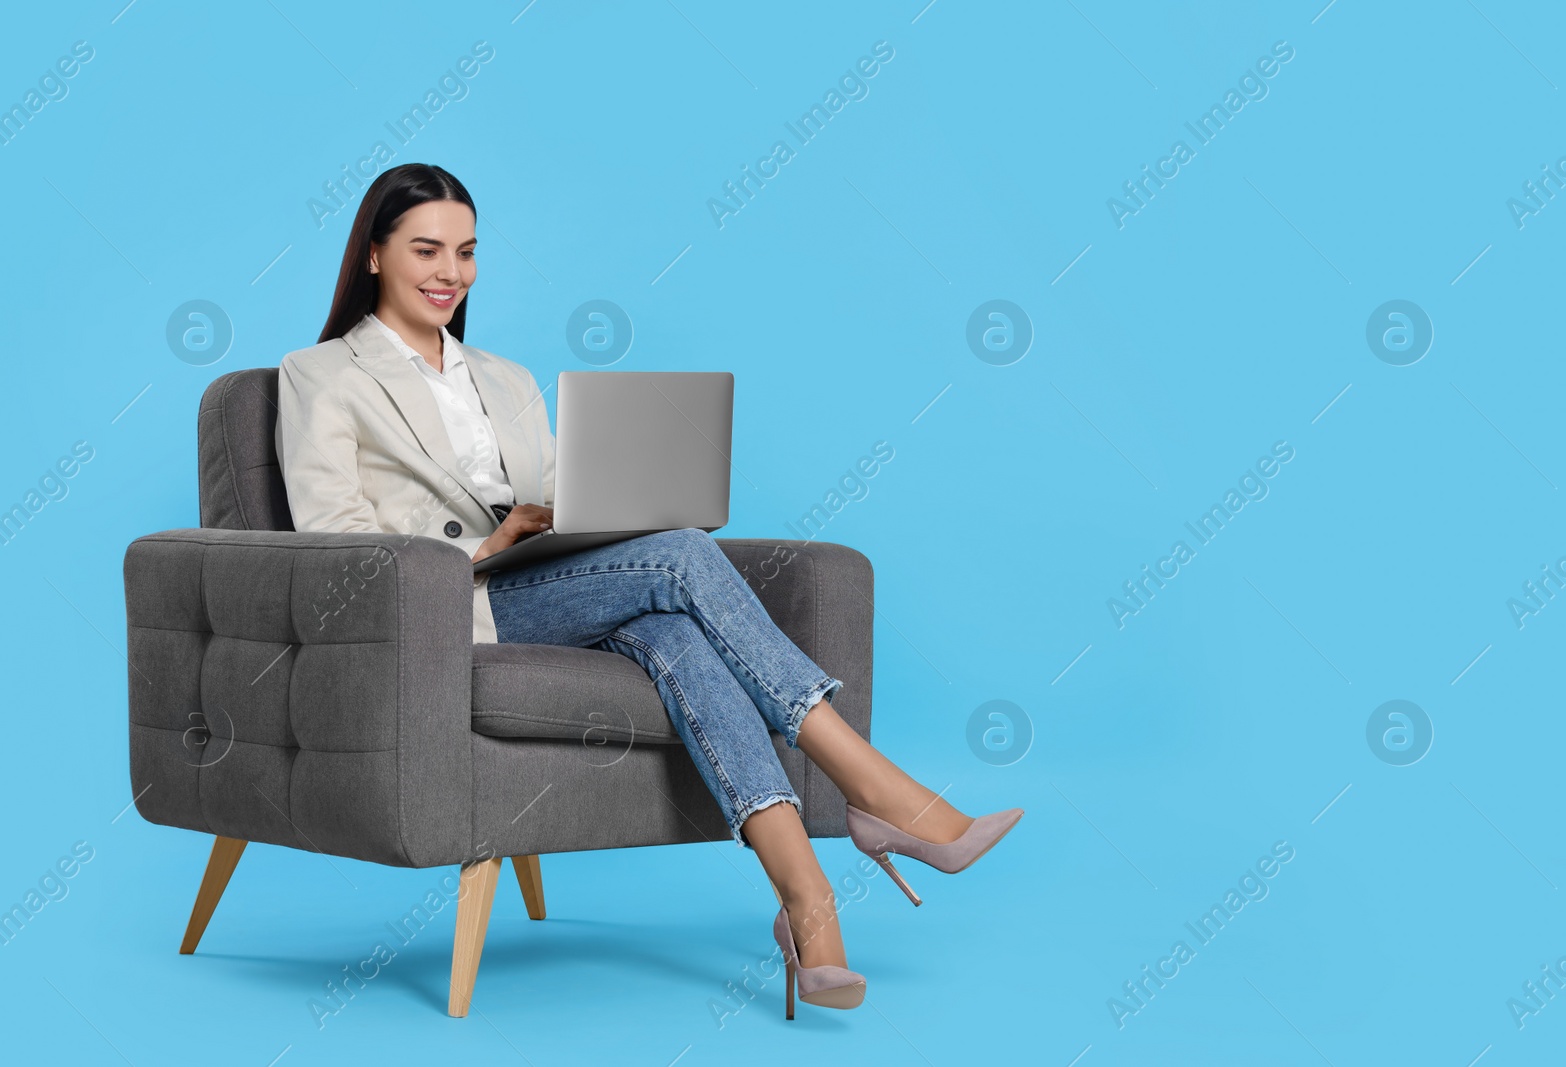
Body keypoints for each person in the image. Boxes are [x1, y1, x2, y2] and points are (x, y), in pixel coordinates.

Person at [275, 162, 1023, 1017]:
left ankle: (810, 909)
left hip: (545, 582)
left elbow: (567, 491)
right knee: (676, 557)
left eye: (469, 252)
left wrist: (572, 518)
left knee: (677, 630)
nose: (452, 273)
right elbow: (333, 540)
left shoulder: (507, 379)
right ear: (374, 254)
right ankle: (881, 792)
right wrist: (493, 542)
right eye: (427, 250)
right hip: (452, 605)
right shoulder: (322, 373)